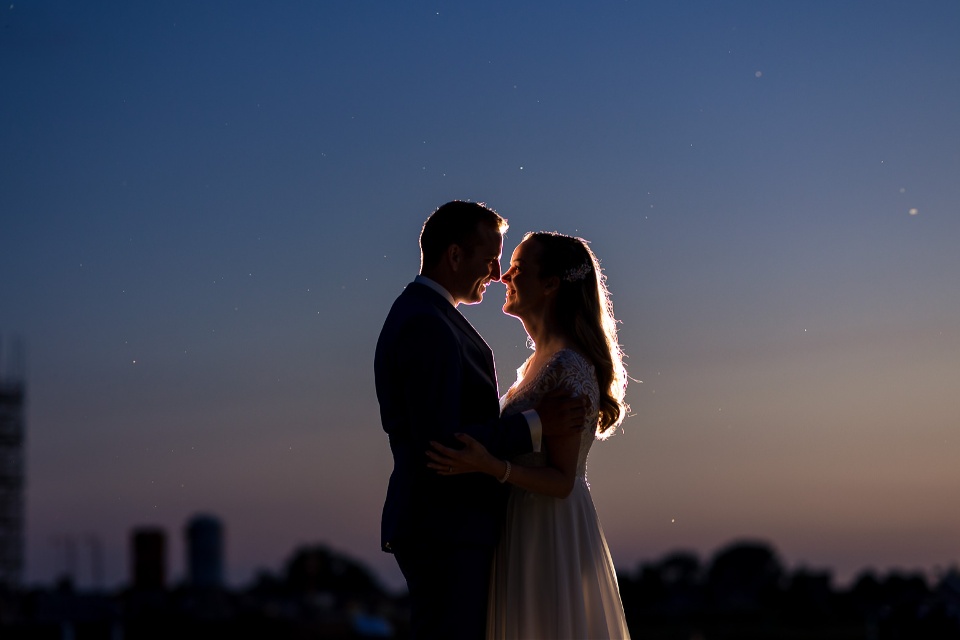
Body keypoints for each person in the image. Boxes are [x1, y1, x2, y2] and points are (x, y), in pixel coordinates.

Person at [375, 202, 587, 640]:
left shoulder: (432, 317)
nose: (496, 274)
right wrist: (535, 421)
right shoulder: (426, 324)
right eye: (490, 260)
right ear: (455, 256)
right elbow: (441, 441)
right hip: (446, 528)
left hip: (457, 528)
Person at [427, 231, 632, 639]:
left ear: (551, 284)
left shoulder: (569, 368)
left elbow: (562, 481)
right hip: (519, 523)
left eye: (518, 268)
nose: (503, 276)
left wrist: (491, 466)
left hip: (549, 529)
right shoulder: (534, 365)